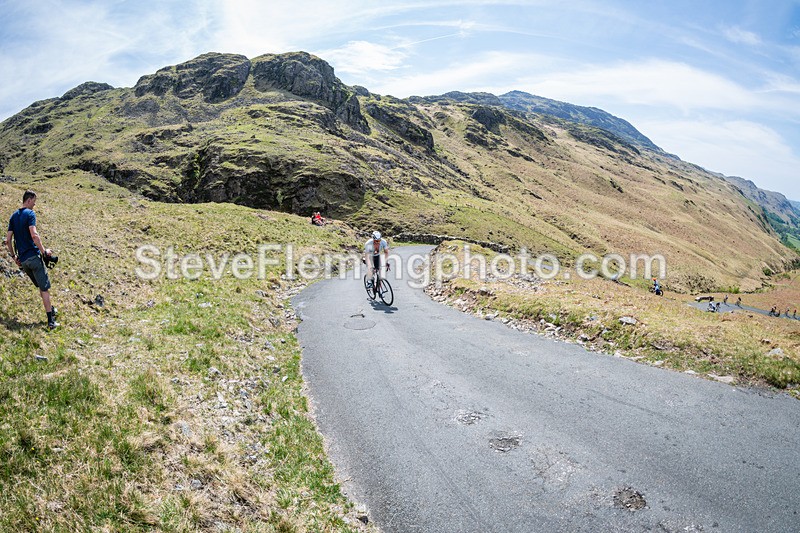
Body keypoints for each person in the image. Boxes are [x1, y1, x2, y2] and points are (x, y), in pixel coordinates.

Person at [6, 190, 58, 329]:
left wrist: (13, 257)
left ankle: (51, 310)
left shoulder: (13, 217)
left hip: (23, 261)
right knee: (45, 288)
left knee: (41, 286)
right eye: (34, 202)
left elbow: (8, 240)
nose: (34, 205)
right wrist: (45, 252)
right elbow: (34, 235)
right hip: (34, 257)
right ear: (28, 200)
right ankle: (51, 321)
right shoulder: (30, 214)